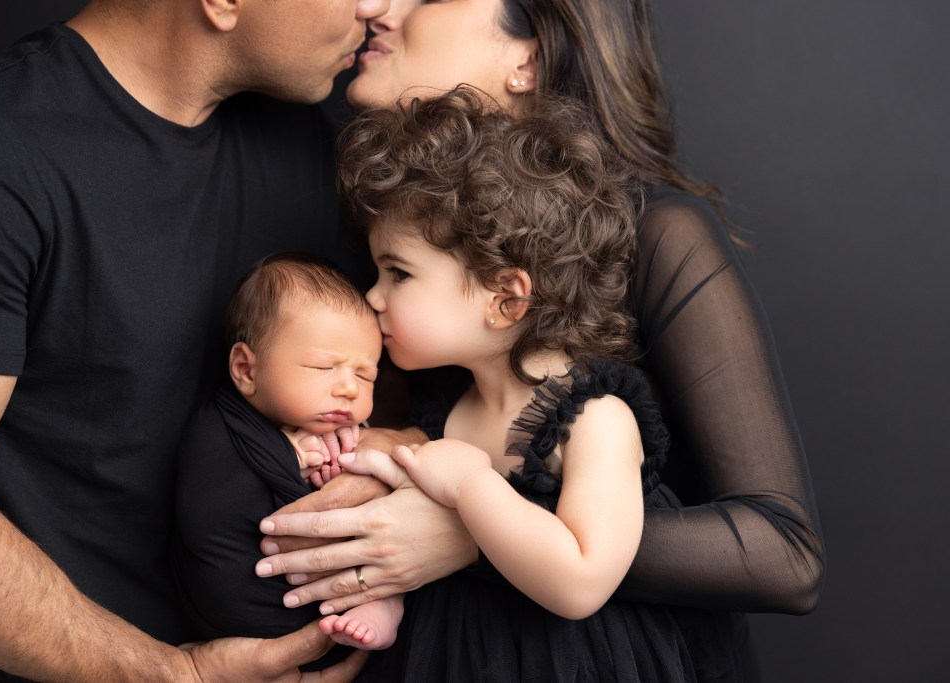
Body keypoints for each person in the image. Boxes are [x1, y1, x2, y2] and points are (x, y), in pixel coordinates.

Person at [256, 0, 825, 679]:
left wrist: (479, 530)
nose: (379, 6)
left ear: (527, 58)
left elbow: (785, 554)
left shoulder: (656, 238)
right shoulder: (382, 221)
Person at [0, 0, 393, 680]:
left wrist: (410, 483)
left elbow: (405, 385)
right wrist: (176, 675)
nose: (378, 5)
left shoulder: (320, 133)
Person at [333, 86, 705, 681]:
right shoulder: (445, 403)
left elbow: (583, 581)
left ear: (506, 300)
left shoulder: (595, 419)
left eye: (398, 273)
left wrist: (470, 485)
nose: (372, 296)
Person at [173, 254, 403, 668]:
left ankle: (387, 603)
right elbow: (210, 505)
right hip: (242, 638)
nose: (350, 389)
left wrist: (346, 463)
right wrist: (290, 459)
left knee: (393, 531)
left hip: (331, 615)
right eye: (323, 367)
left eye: (366, 375)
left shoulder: (343, 427)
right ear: (245, 369)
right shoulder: (218, 427)